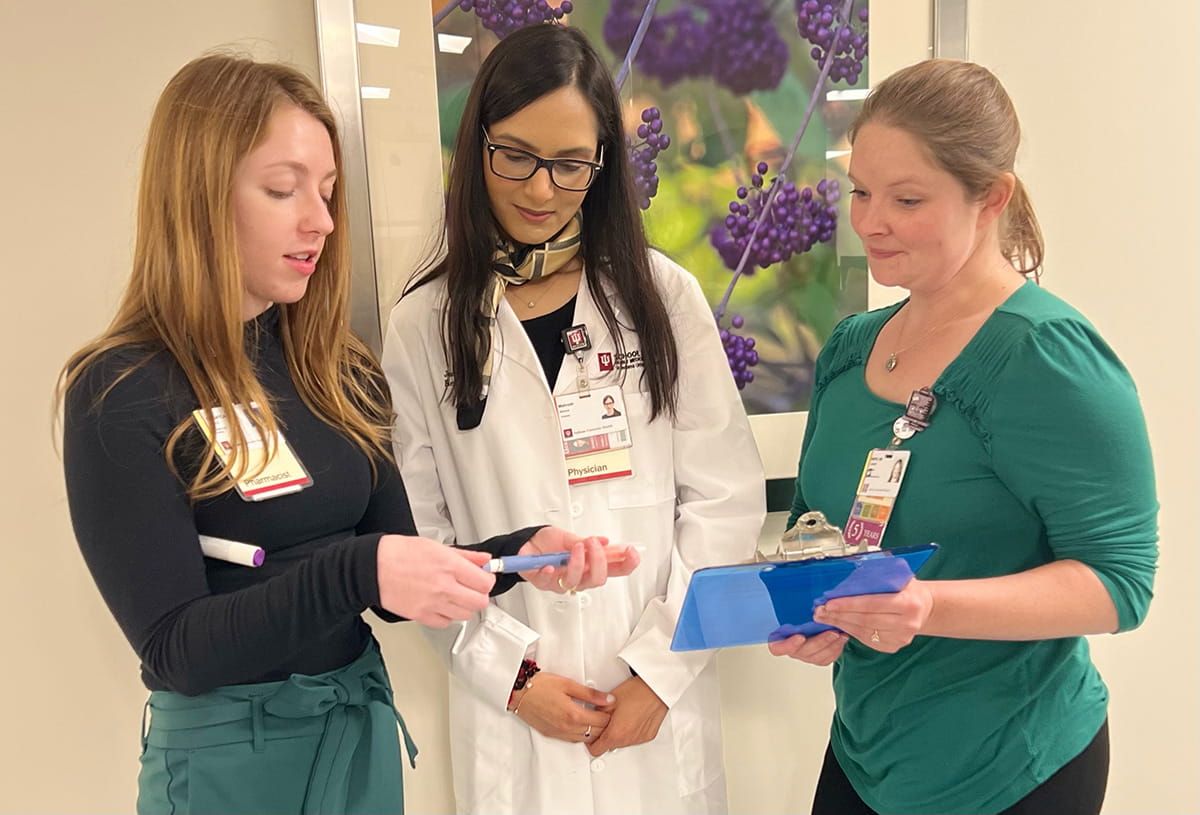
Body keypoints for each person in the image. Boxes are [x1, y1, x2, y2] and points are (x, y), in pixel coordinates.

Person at [58, 52, 633, 815]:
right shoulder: (121, 390)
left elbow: (397, 581)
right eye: (282, 189)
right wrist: (357, 570)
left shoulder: (333, 368)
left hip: (354, 737)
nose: (320, 221)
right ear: (196, 195)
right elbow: (176, 649)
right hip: (230, 762)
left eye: (327, 192)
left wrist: (516, 555)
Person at [381, 23, 765, 815]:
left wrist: (661, 671)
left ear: (603, 164)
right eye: (515, 155)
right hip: (516, 723)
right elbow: (423, 541)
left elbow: (724, 502)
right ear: (477, 145)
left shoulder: (662, 298)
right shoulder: (422, 325)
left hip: (657, 709)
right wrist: (512, 679)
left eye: (569, 164)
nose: (540, 189)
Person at [770, 59, 1158, 815]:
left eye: (907, 199)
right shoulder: (853, 349)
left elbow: (1122, 584)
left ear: (992, 198)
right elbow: (821, 528)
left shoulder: (1049, 358)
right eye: (861, 192)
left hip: (1013, 767)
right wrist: (814, 608)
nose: (871, 221)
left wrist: (925, 606)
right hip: (865, 754)